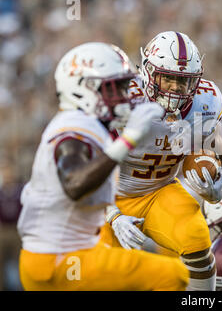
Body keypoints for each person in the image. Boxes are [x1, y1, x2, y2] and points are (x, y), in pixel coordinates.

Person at [17, 42, 189, 291]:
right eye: (115, 88)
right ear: (85, 89)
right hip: (59, 261)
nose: (124, 96)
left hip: (65, 254)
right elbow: (74, 184)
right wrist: (128, 140)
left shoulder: (88, 124)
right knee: (173, 275)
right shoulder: (74, 129)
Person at [100, 31, 222, 291]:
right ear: (148, 72)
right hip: (109, 197)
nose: (174, 87)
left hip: (159, 191)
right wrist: (113, 215)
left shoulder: (206, 102)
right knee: (103, 273)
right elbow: (93, 165)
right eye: (167, 77)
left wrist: (219, 188)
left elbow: (220, 155)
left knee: (196, 237)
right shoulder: (124, 100)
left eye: (182, 81)